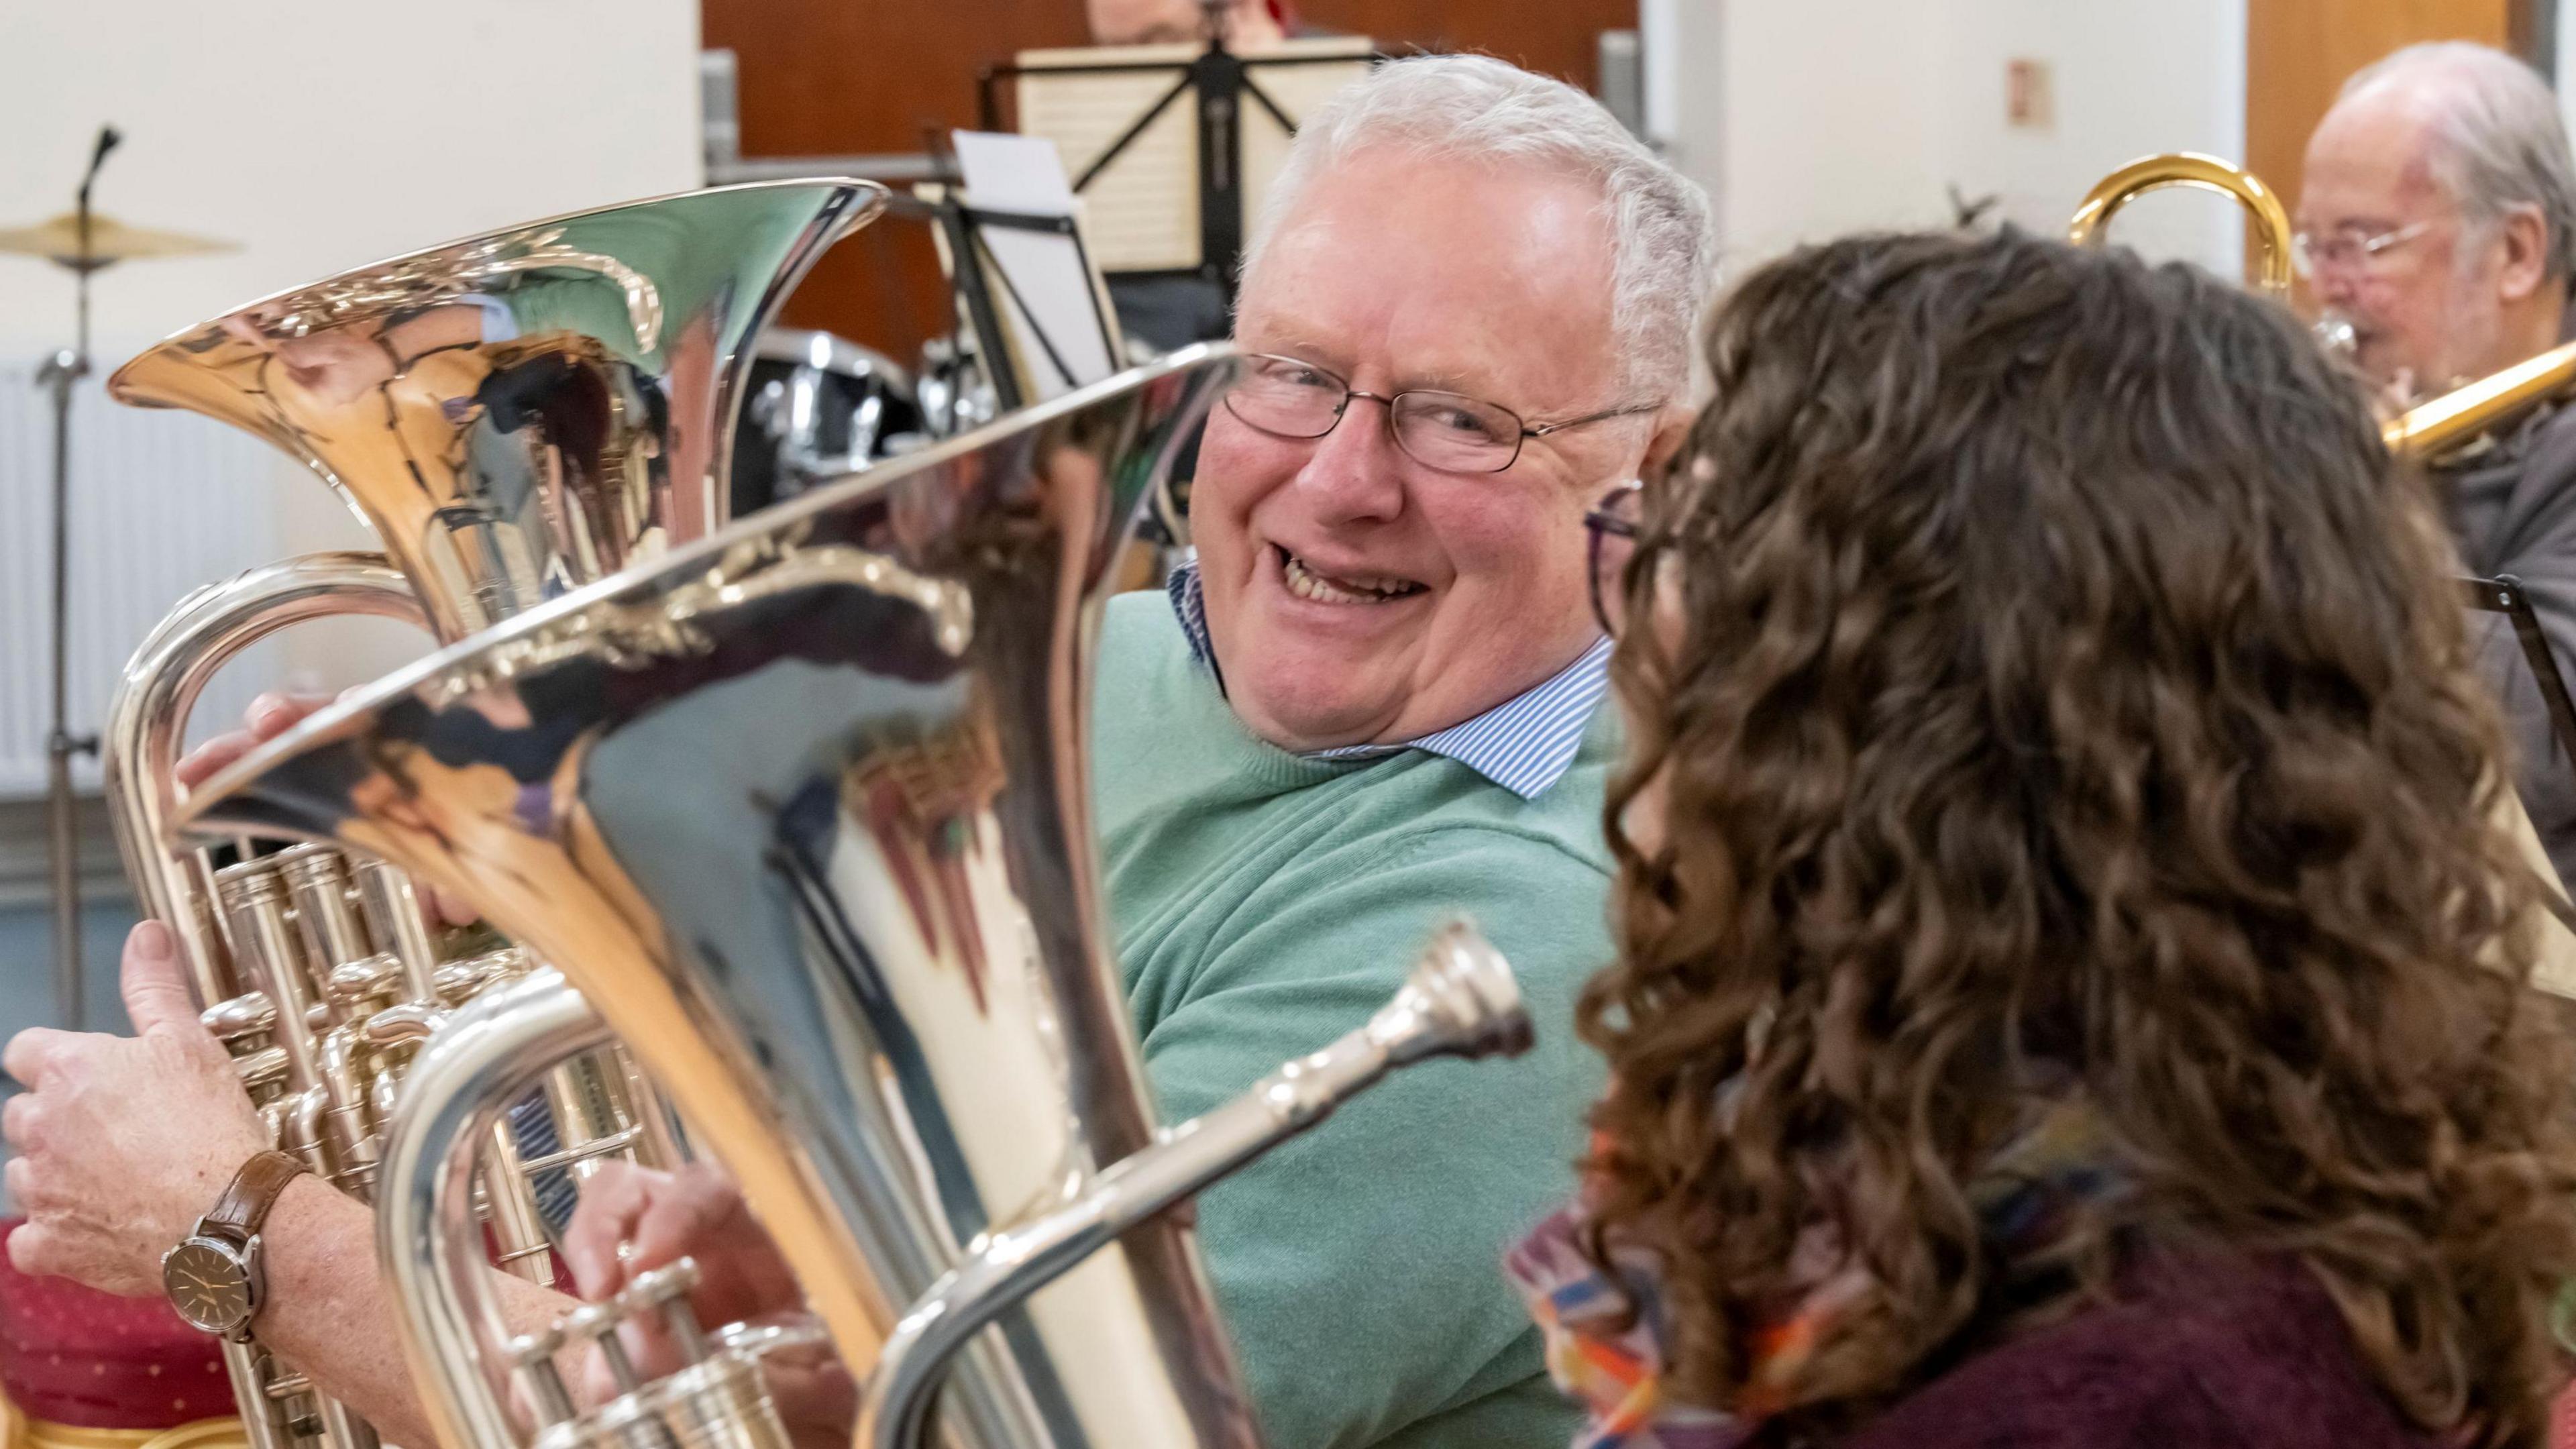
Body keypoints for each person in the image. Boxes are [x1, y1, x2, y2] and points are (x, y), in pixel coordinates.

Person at [1, 55, 1714, 1449]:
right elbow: (767, 931)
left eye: (1458, 415)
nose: (1341, 478)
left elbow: (946, 1428)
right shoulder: (1087, 648)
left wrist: (242, 1227)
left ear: (1656, 466)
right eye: (1291, 374)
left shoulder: (1525, 948)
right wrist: (461, 856)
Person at [1508, 226, 2576, 1448]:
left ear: (1906, 731)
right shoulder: (1997, 1173)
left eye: (1689, 557)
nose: (1632, 636)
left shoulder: (2121, 1398)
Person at [2302, 40, 2576, 894]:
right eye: (2316, 248)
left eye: (2366, 243)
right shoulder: (2388, 404)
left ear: (2518, 253)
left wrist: (2367, 502)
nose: (2328, 288)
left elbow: (2522, 749)